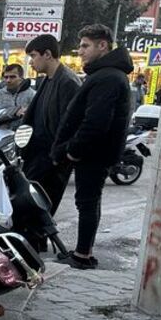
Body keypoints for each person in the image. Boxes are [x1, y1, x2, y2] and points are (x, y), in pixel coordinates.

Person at [52, 24, 133, 270]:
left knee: (86, 202)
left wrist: (72, 150)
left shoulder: (108, 77)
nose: (80, 51)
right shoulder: (107, 74)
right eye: (80, 46)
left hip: (93, 155)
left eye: (86, 46)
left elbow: (95, 122)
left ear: (103, 46)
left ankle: (82, 256)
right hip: (97, 153)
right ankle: (83, 252)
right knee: (90, 201)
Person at [22, 34, 82, 215]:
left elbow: (69, 125)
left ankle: (37, 243)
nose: (31, 62)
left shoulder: (68, 82)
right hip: (37, 156)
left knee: (40, 212)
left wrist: (57, 157)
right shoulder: (48, 79)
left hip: (52, 161)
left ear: (47, 54)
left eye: (33, 56)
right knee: (28, 208)